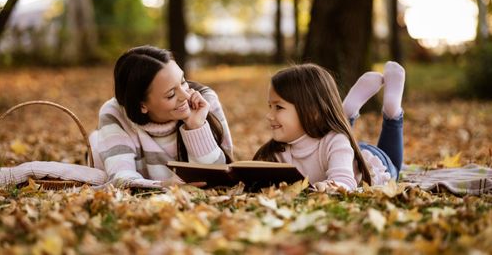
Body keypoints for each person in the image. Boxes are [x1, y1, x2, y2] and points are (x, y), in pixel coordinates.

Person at [90, 45, 233, 188]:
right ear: (142, 105)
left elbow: (220, 178)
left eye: (183, 81)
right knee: (96, 143)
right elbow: (121, 178)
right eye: (171, 94)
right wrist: (162, 185)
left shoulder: (204, 101)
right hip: (109, 160)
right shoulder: (115, 114)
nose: (186, 95)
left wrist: (196, 127)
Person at [253, 62, 405, 191]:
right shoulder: (278, 150)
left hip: (370, 161)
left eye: (278, 107)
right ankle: (346, 115)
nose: (269, 115)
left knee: (394, 168)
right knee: (341, 138)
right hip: (345, 149)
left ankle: (393, 115)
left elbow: (344, 181)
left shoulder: (335, 141)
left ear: (312, 112)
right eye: (269, 106)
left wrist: (329, 187)